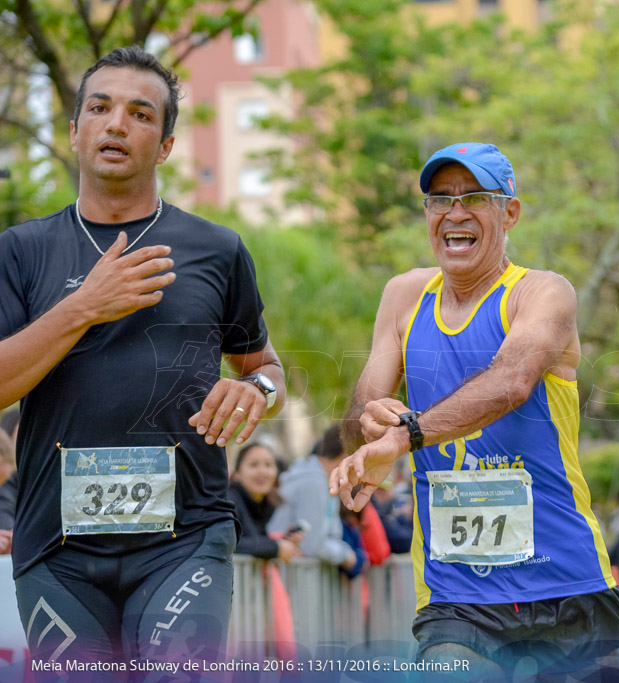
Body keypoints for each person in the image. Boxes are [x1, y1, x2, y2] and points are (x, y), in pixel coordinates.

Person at [0, 46, 285, 667]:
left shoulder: (216, 249)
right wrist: (83, 307)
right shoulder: (20, 251)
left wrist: (257, 391)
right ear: (75, 132)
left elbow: (265, 369)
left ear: (166, 145)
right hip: (57, 547)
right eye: (99, 108)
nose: (116, 123)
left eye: (140, 113)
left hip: (184, 538)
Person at [329, 142, 619, 677]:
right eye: (440, 200)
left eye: (475, 197)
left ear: (509, 211)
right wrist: (371, 427)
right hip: (455, 592)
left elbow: (511, 382)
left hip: (564, 578)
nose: (455, 212)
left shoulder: (542, 292)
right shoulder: (404, 296)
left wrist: (408, 435)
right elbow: (359, 420)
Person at [269, 425, 358, 572]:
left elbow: (331, 535)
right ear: (346, 456)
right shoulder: (314, 482)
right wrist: (345, 555)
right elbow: (312, 545)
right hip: (285, 574)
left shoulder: (324, 479)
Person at [227, 443, 303, 563]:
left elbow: (253, 541)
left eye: (268, 465)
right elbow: (225, 542)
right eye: (253, 465)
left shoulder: (264, 505)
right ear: (237, 474)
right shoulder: (229, 502)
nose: (262, 471)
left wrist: (284, 542)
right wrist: (275, 547)